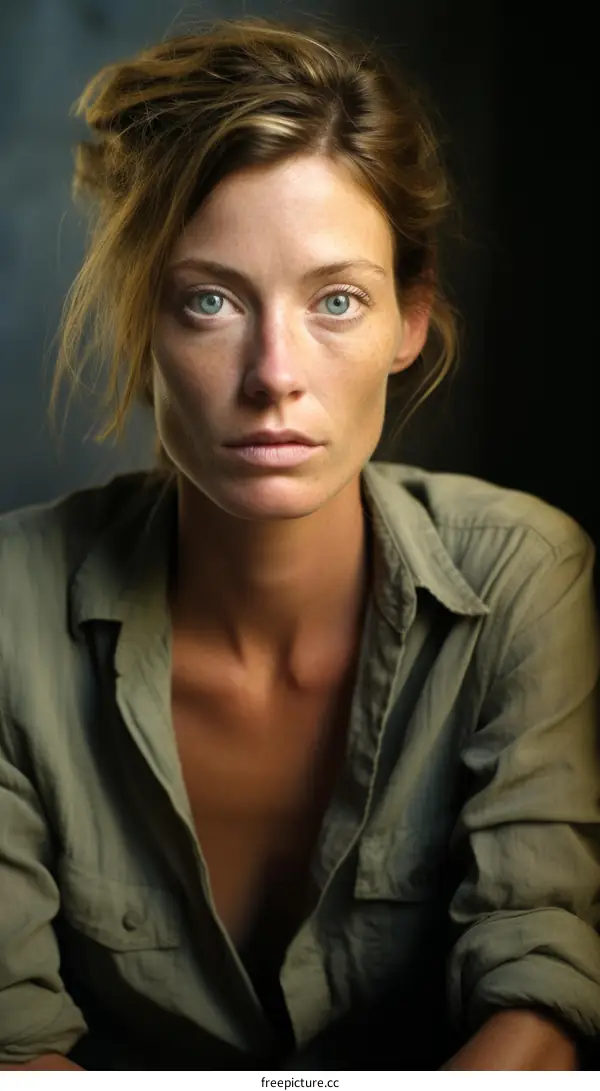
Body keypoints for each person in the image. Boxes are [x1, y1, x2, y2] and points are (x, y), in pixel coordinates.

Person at [0, 15, 599, 1072]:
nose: (275, 370)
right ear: (144, 320)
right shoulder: (10, 606)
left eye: (336, 300)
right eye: (210, 300)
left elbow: (540, 981)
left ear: (409, 320)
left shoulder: (523, 577)